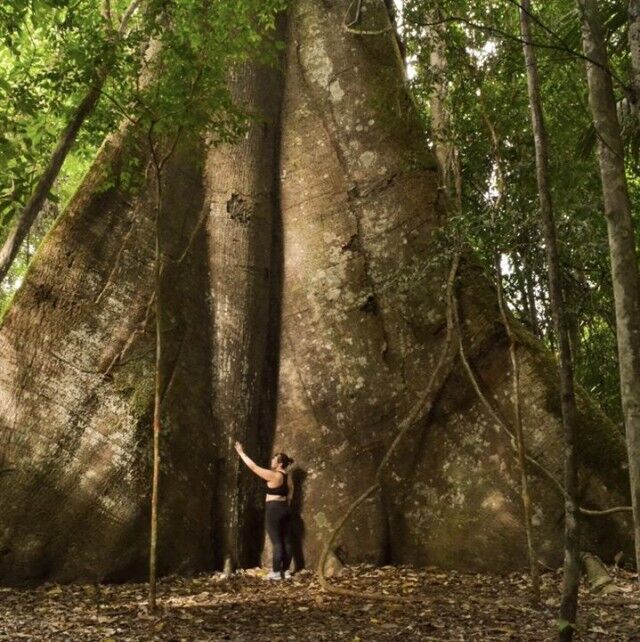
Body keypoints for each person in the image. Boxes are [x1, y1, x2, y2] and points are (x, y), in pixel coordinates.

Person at [234, 441, 294, 580]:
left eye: (274, 459)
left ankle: (276, 572)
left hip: (273, 509)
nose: (272, 460)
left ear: (279, 464)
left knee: (277, 542)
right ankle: (286, 571)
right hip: (285, 508)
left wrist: (241, 453)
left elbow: (254, 468)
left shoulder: (274, 476)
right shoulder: (287, 477)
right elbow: (290, 495)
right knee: (287, 541)